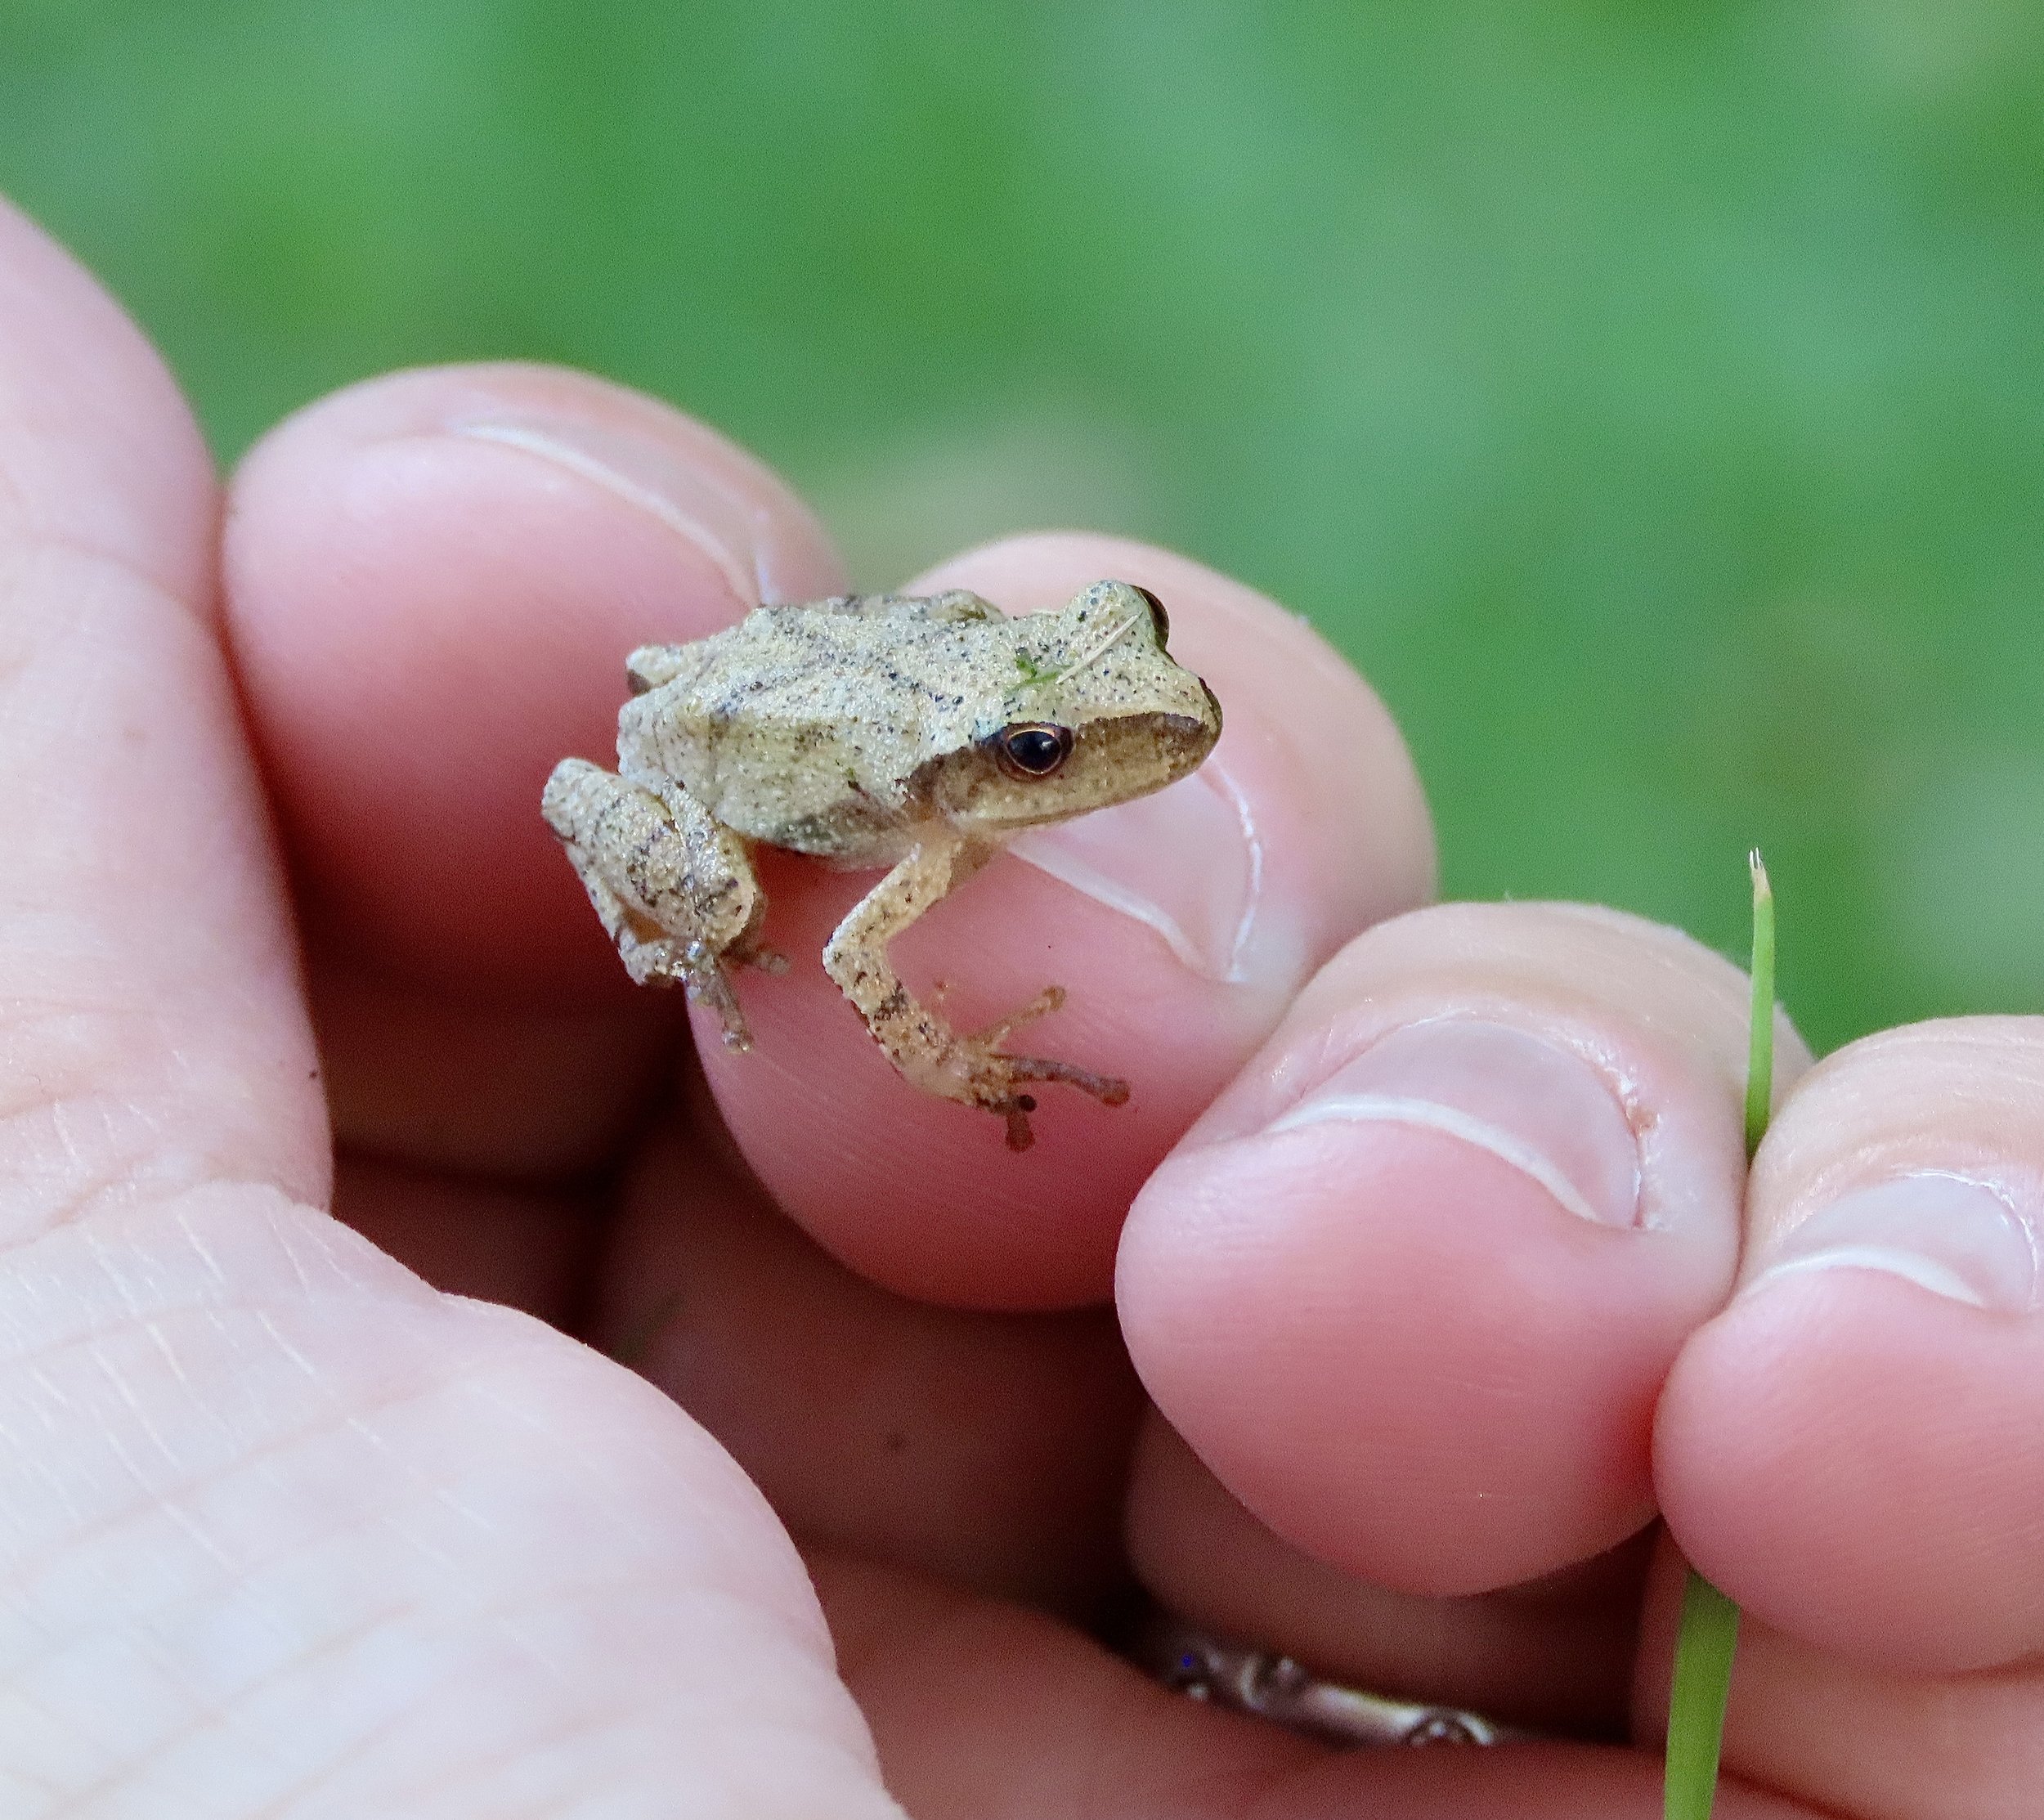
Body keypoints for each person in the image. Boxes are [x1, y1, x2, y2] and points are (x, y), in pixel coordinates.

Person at [0, 192, 2030, 1819]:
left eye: (1115, 673)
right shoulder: (921, 855)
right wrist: (970, 1068)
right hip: (720, 763)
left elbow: (1009, 656)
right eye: (1063, 756)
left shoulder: (1000, 769)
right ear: (998, 775)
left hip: (849, 702)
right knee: (741, 911)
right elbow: (865, 974)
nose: (1145, 733)